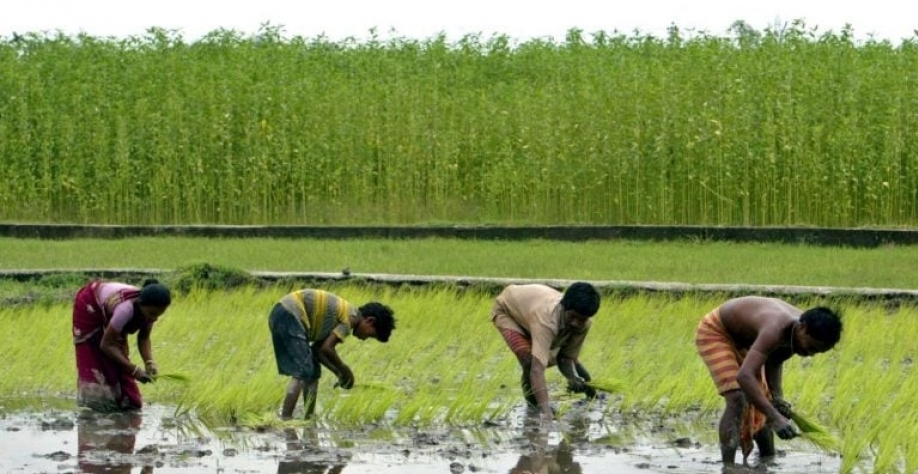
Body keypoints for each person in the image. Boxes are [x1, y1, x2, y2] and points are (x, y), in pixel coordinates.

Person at [694, 296, 843, 467]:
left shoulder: (798, 335)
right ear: (802, 328)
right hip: (717, 332)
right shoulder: (775, 328)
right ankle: (728, 466)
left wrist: (777, 399)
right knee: (737, 398)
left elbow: (775, 360)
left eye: (817, 352)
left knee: (764, 399)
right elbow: (744, 376)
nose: (810, 354)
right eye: (811, 348)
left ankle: (767, 458)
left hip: (747, 340)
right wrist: (775, 417)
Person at [268, 288, 396, 419]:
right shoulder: (351, 318)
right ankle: (286, 417)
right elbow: (327, 349)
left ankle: (308, 418)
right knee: (303, 372)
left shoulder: (343, 316)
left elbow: (318, 350)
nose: (364, 339)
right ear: (370, 321)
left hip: (282, 313)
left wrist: (339, 374)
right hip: (290, 314)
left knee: (312, 372)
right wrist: (345, 370)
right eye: (370, 335)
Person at [491, 282, 601, 421]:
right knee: (529, 362)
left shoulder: (583, 325)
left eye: (581, 319)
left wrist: (573, 378)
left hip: (531, 311)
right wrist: (546, 412)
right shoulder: (547, 321)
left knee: (563, 361)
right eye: (572, 316)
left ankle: (593, 395)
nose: (575, 323)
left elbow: (566, 358)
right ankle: (534, 406)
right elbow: (537, 370)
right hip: (508, 312)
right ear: (564, 307)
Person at [72, 278, 172, 412]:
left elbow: (143, 337)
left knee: (119, 354)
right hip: (90, 304)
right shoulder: (125, 310)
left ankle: (124, 399)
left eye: (159, 315)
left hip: (110, 306)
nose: (154, 318)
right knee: (95, 353)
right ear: (141, 305)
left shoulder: (149, 310)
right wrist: (134, 370)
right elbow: (106, 345)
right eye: (152, 314)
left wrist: (149, 362)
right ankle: (97, 401)